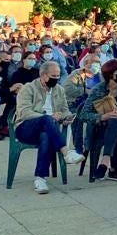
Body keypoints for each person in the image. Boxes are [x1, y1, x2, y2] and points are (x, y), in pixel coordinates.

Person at [14, 62, 85, 193]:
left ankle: (40, 178)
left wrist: (66, 117)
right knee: (46, 119)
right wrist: (50, 116)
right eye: (53, 75)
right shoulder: (28, 88)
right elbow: (24, 112)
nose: (56, 78)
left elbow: (65, 110)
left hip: (49, 129)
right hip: (26, 127)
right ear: (43, 75)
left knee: (46, 135)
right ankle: (66, 152)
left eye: (58, 76)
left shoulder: (59, 89)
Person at [78, 59, 117, 182]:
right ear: (110, 75)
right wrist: (103, 116)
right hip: (99, 128)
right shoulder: (98, 90)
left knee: (116, 123)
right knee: (115, 125)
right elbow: (83, 114)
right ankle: (114, 169)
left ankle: (105, 161)